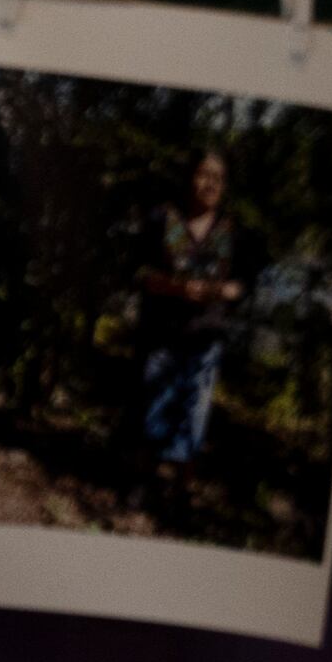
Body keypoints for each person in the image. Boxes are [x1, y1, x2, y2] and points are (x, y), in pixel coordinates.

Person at [133, 144, 247, 485]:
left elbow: (242, 283)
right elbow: (137, 272)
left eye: (218, 178)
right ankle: (144, 483)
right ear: (190, 177)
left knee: (195, 415)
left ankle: (179, 491)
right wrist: (175, 288)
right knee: (155, 407)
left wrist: (224, 291)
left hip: (207, 336)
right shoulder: (161, 219)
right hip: (163, 332)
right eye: (204, 174)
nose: (210, 184)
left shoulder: (232, 231)